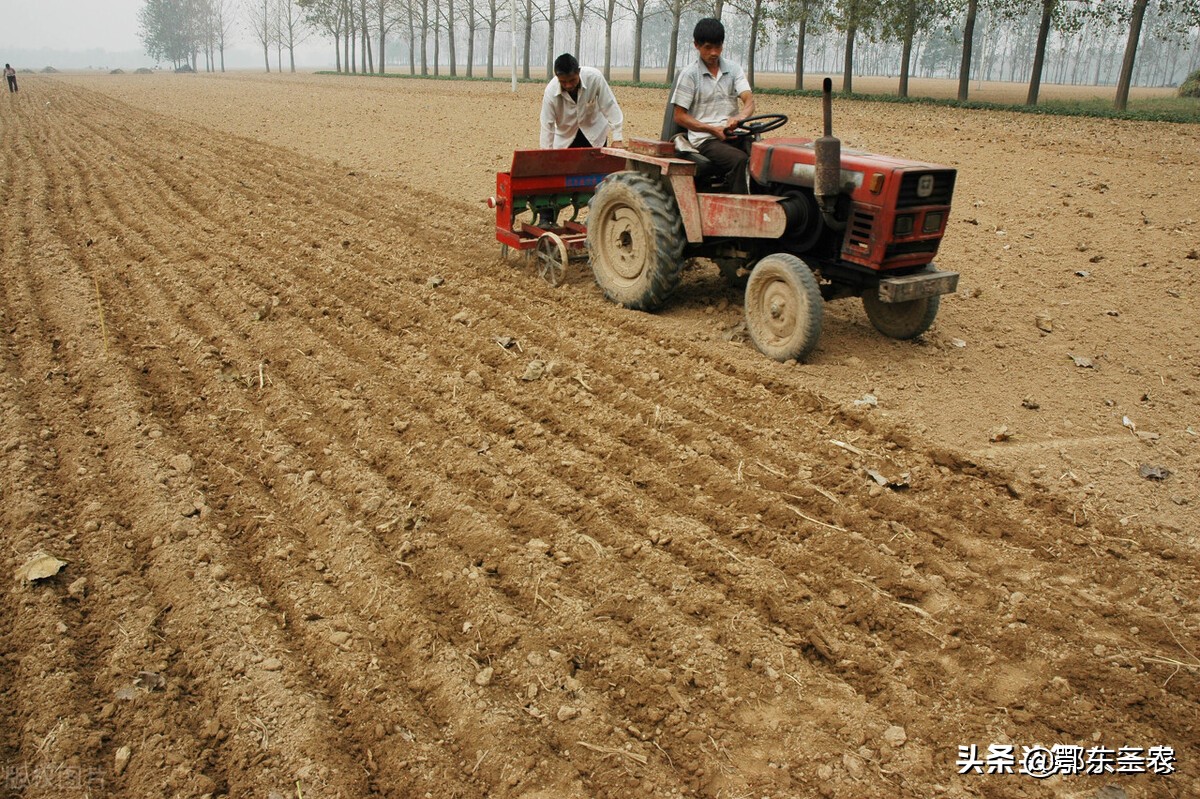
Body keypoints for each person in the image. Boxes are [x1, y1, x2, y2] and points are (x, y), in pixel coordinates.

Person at [669, 18, 756, 194]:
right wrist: (712, 129)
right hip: (705, 139)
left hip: (732, 133)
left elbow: (749, 101)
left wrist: (738, 118)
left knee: (765, 155)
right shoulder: (690, 75)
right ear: (697, 45)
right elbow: (679, 116)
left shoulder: (733, 69)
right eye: (708, 47)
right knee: (740, 161)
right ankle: (739, 211)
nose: (714, 52)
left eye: (718, 46)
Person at [539, 53, 624, 150]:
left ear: (578, 72)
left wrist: (617, 139)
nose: (568, 85)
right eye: (563, 82)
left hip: (595, 135)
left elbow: (610, 105)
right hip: (566, 139)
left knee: (596, 165)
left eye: (572, 80)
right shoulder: (550, 92)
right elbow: (547, 124)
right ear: (557, 77)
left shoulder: (594, 78)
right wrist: (546, 154)